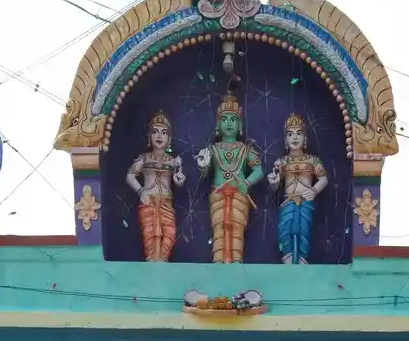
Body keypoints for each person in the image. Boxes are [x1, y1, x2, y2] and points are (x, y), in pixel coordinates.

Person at [195, 92, 263, 263]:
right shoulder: (213, 149)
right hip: (218, 194)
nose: (229, 123)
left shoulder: (246, 150)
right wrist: (203, 165)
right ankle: (218, 262)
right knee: (219, 228)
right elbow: (204, 173)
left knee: (236, 228)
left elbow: (259, 171)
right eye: (224, 119)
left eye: (233, 119)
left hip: (239, 195)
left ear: (240, 125)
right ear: (218, 125)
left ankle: (236, 261)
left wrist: (247, 182)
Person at [267, 112, 328, 264]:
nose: (295, 137)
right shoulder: (282, 162)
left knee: (303, 231)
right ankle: (288, 259)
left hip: (305, 203)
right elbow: (276, 185)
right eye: (290, 134)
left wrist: (313, 191)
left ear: (305, 139)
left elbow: (324, 179)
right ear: (285, 140)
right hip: (287, 203)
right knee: (285, 230)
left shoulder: (312, 160)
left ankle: (301, 260)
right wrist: (274, 182)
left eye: (299, 133)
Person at [125, 111, 185, 262]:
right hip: (148, 201)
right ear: (149, 137)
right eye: (155, 132)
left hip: (166, 202)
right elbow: (130, 176)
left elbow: (178, 181)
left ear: (169, 139)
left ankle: (162, 261)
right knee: (149, 235)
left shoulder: (172, 161)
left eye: (164, 133)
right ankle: (151, 261)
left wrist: (180, 176)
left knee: (170, 234)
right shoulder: (144, 158)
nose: (159, 136)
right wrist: (141, 192)